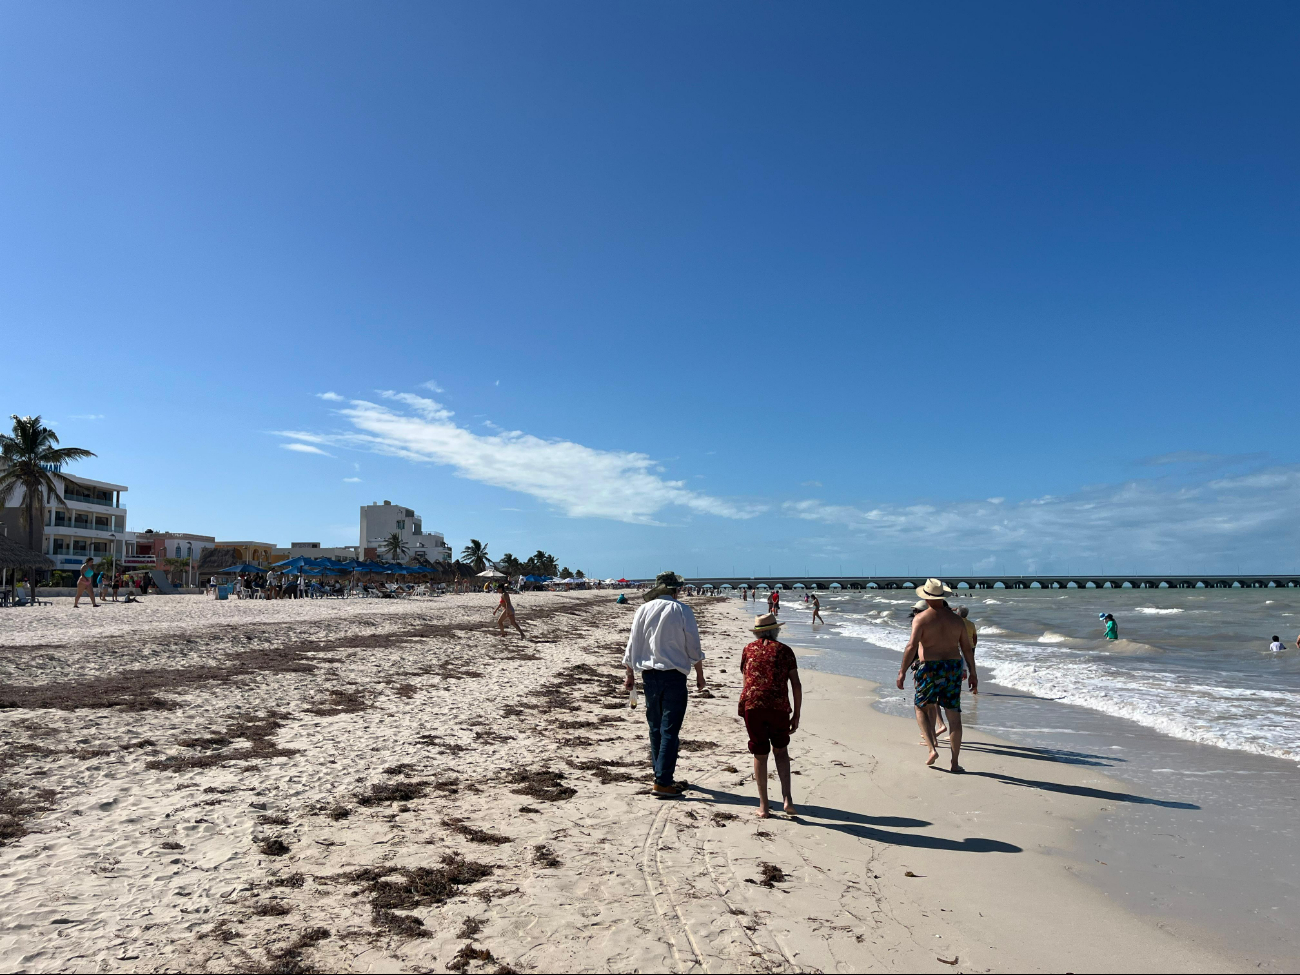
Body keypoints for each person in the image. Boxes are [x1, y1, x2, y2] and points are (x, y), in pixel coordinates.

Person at [623, 570, 706, 798]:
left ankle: (660, 775)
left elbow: (632, 644)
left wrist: (629, 673)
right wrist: (700, 674)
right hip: (674, 675)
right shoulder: (681, 610)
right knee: (670, 729)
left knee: (656, 727)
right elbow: (693, 647)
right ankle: (663, 781)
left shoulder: (643, 610)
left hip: (649, 675)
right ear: (675, 590)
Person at [897, 579, 976, 772]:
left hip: (929, 668)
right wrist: (973, 673)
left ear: (925, 596)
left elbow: (911, 646)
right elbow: (966, 648)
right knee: (954, 715)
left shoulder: (921, 619)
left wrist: (902, 672)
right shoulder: (956, 620)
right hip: (953, 668)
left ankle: (932, 749)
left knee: (921, 707)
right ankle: (955, 762)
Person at [739, 612, 802, 817]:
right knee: (781, 751)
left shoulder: (748, 649)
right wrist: (797, 714)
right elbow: (796, 684)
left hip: (753, 705)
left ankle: (764, 806)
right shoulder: (784, 651)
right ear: (775, 630)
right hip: (778, 707)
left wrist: (747, 703)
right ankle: (787, 800)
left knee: (760, 753)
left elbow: (746, 680)